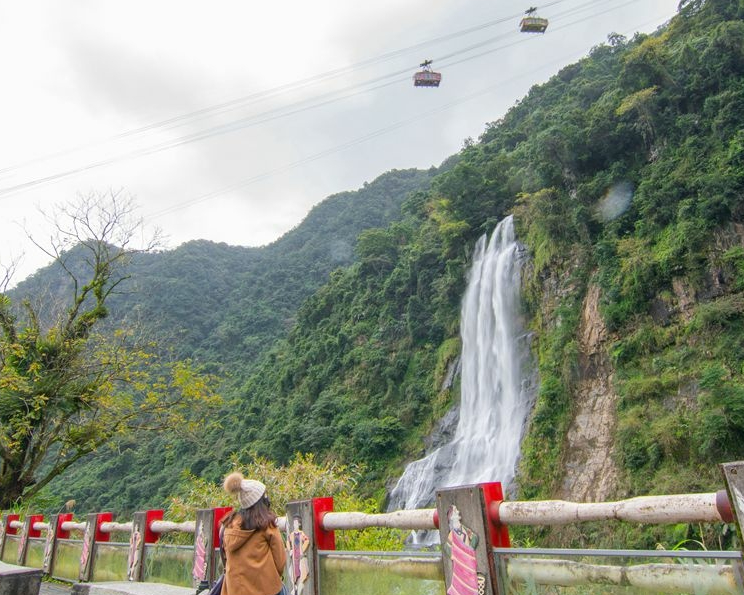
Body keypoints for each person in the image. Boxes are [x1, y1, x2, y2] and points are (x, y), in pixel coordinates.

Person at [222, 472, 287, 595]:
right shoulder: (266, 524)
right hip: (266, 589)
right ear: (261, 500)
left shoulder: (229, 525)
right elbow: (280, 562)